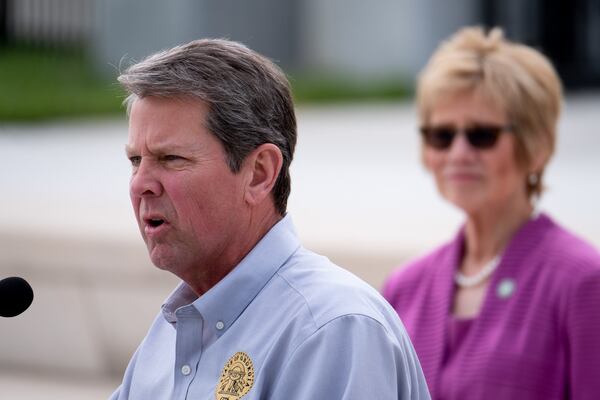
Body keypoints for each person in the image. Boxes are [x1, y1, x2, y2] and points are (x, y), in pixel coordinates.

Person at [110, 38, 430, 400]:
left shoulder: (332, 329)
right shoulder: (169, 334)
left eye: (171, 159)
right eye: (135, 161)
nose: (141, 185)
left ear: (259, 173)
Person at [382, 26, 600, 399]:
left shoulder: (583, 281)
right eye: (442, 135)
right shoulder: (405, 287)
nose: (459, 153)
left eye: (482, 135)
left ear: (538, 146)